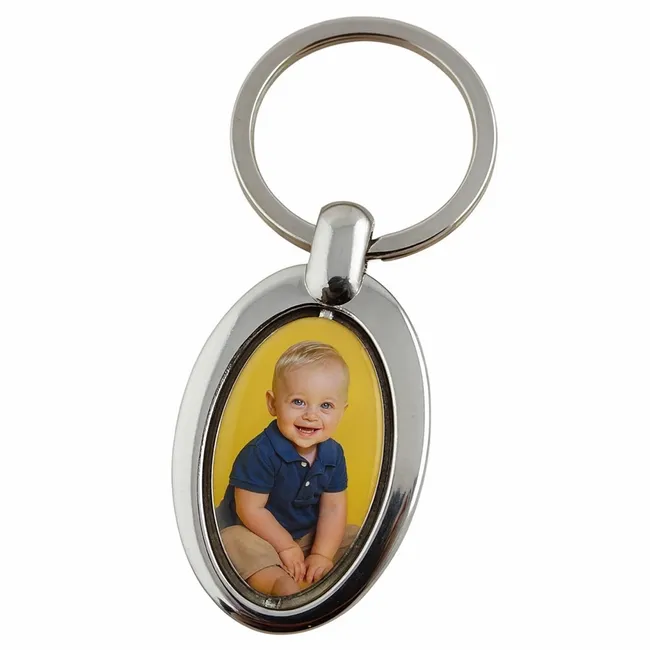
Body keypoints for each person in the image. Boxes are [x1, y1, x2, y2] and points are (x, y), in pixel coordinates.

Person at [215, 341, 359, 596]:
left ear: (342, 411)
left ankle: (331, 580)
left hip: (304, 536)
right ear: (273, 404)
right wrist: (284, 547)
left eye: (326, 406)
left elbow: (333, 508)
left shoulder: (333, 454)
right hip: (257, 535)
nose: (311, 415)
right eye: (298, 402)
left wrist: (322, 554)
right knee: (230, 541)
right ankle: (279, 585)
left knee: (358, 537)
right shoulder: (260, 452)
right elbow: (250, 510)